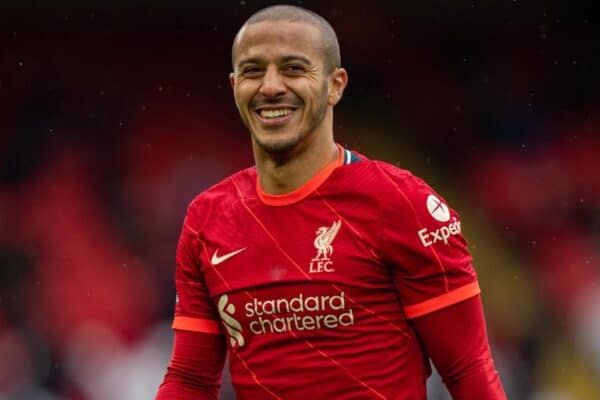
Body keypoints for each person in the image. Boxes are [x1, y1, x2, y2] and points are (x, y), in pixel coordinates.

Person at [156, 4, 506, 399]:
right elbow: (190, 379)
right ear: (235, 84)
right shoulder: (208, 217)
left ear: (335, 84)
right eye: (253, 71)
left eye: (292, 68)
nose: (270, 86)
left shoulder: (401, 203)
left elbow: (468, 370)